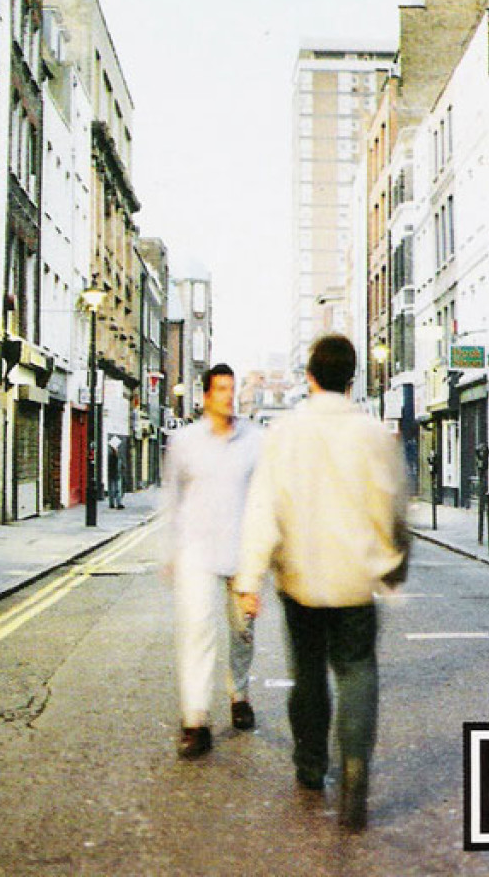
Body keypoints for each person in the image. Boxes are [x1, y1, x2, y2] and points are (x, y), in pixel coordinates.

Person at [234, 334, 409, 830]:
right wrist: (392, 564)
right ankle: (354, 768)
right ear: (352, 379)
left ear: (309, 376)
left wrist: (249, 578)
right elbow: (392, 505)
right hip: (355, 580)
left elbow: (263, 509)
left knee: (308, 674)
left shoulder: (284, 433)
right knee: (357, 672)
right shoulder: (373, 433)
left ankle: (311, 765)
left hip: (301, 580)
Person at [162, 363, 263, 760]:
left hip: (241, 552)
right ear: (205, 396)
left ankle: (239, 694)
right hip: (197, 553)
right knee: (197, 633)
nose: (227, 396)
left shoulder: (255, 440)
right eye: (220, 389)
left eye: (231, 389)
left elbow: (264, 500)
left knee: (242, 632)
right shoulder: (185, 442)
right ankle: (196, 721)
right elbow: (172, 498)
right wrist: (170, 550)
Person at [107, 442, 124, 509]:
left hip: (116, 475)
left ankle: (115, 503)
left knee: (116, 490)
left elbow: (121, 465)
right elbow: (115, 466)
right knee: (115, 490)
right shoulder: (114, 457)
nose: (116, 450)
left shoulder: (116, 457)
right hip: (114, 475)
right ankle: (115, 504)